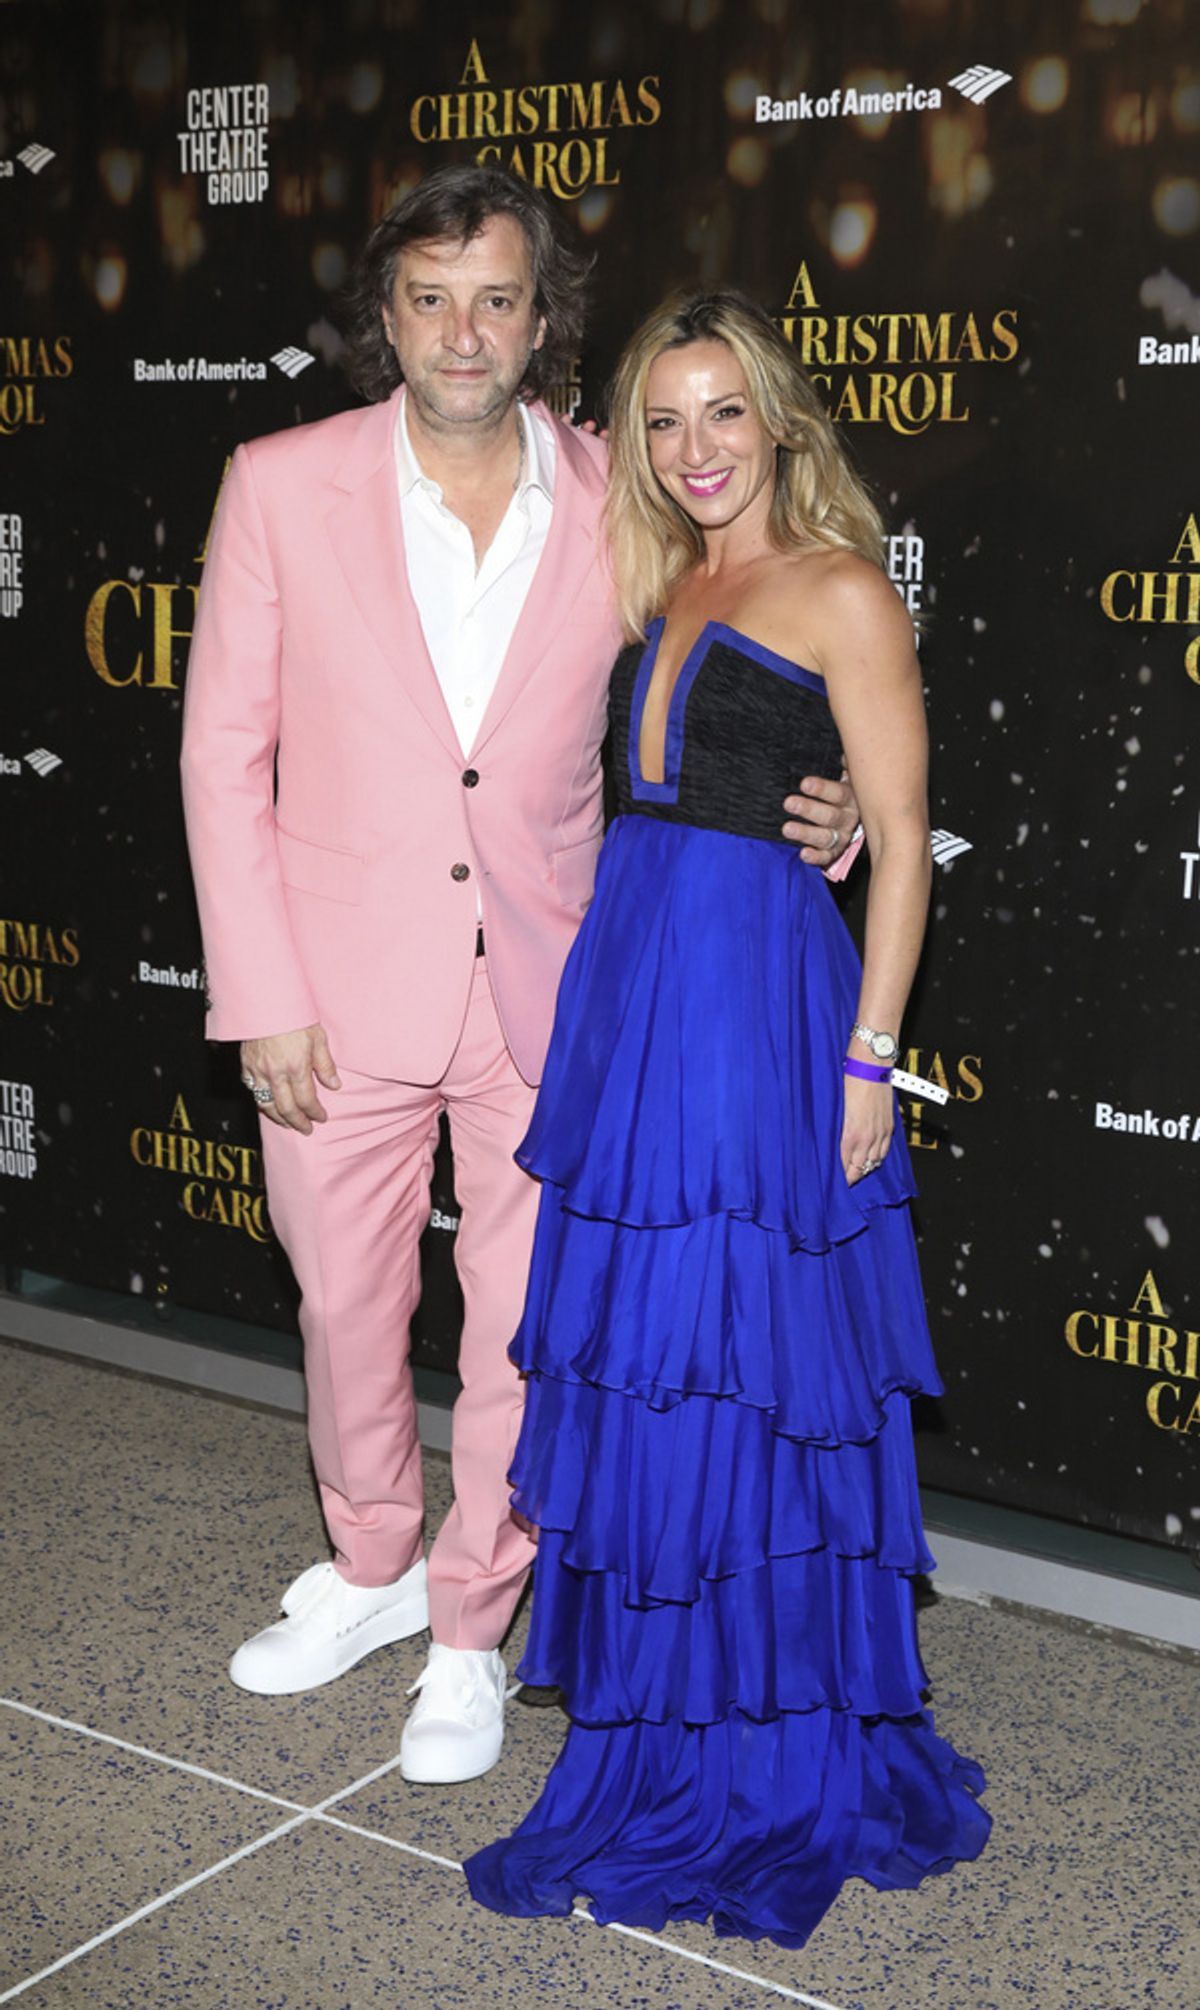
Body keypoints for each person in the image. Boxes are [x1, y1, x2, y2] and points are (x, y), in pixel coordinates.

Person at [180, 168, 859, 1786]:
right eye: (431, 297)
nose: (463, 330)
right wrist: (258, 986)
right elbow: (223, 755)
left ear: (544, 321)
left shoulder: (624, 488)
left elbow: (756, 635)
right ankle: (366, 1562)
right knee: (345, 1304)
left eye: (497, 297)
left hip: (559, 990)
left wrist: (820, 811)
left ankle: (474, 1622)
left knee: (523, 1329)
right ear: (388, 317)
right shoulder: (279, 483)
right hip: (330, 996)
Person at [465, 289, 990, 1943]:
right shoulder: (658, 577)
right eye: (665, 419)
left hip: (760, 1010)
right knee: (652, 1355)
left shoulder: (840, 587)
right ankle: (665, 1705)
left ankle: (766, 1731)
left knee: (751, 1351)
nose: (697, 449)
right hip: (640, 994)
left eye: (724, 414)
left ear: (777, 419)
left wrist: (869, 1057)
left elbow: (899, 836)